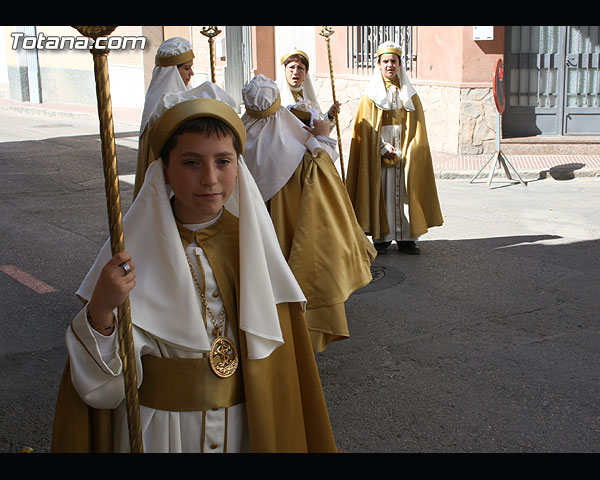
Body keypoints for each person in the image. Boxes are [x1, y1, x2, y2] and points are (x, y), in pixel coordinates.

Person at [50, 82, 336, 453]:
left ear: (238, 165)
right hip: (159, 433)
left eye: (222, 161)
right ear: (165, 171)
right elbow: (102, 390)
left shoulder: (253, 249)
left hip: (242, 430)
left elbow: (280, 375)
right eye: (191, 162)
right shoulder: (134, 252)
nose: (210, 179)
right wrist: (102, 310)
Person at [241, 74, 375, 354]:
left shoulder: (239, 144)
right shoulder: (298, 147)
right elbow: (323, 172)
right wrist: (323, 137)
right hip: (293, 231)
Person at [346, 41, 443, 255]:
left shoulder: (410, 94)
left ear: (399, 64)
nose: (390, 65)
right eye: (385, 61)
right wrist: (381, 147)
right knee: (383, 192)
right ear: (379, 65)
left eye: (394, 61)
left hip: (405, 150)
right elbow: (366, 129)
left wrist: (410, 149)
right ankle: (382, 237)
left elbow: (417, 128)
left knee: (406, 193)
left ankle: (406, 238)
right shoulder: (369, 96)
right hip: (379, 152)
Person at [133, 37, 236, 198]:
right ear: (172, 71)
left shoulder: (179, 99)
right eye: (187, 68)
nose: (191, 73)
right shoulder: (165, 108)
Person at [278, 49, 340, 129]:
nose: (295, 72)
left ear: (306, 72)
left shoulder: (307, 97)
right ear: (284, 70)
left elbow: (318, 127)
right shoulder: (275, 95)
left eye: (300, 68)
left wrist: (330, 115)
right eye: (291, 67)